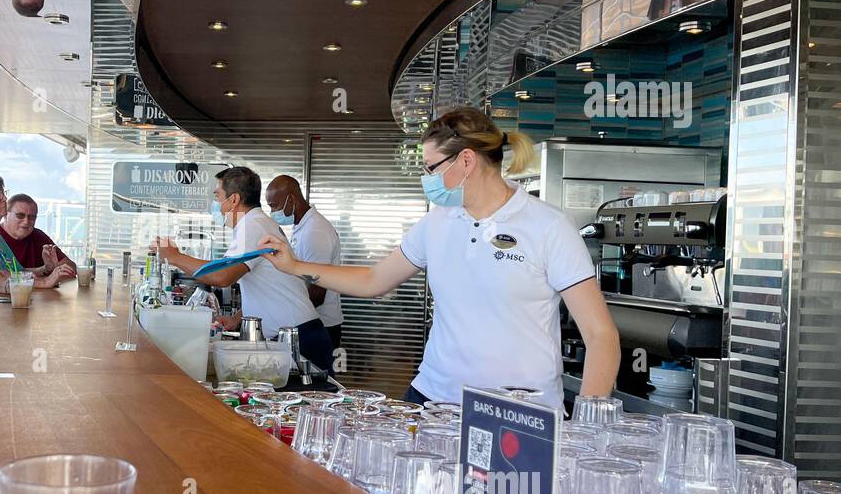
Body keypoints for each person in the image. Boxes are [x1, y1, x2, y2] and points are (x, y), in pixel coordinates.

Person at [258, 108, 620, 408]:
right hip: (432, 397)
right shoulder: (437, 222)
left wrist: (586, 427)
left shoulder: (548, 227)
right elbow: (373, 280)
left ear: (465, 161)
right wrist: (296, 266)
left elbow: (600, 334)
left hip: (518, 410)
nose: (425, 178)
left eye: (431, 168)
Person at [154, 166, 334, 372]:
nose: (216, 205)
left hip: (299, 340)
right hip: (296, 335)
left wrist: (175, 257)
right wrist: (237, 318)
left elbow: (222, 276)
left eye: (217, 196)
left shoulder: (253, 225)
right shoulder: (256, 223)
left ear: (234, 200)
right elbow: (267, 283)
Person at [0, 168, 72, 292]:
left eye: (3, 193)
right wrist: (44, 282)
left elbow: (18, 272)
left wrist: (46, 269)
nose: (5, 199)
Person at [264, 175, 344, 354]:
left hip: (320, 326)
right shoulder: (303, 227)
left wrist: (281, 312)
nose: (272, 213)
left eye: (274, 206)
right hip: (308, 322)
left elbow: (317, 293)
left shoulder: (315, 232)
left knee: (317, 380)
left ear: (291, 199)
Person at [0, 192, 76, 276]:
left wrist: (52, 268)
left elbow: (71, 267)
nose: (26, 222)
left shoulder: (37, 236)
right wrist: (43, 271)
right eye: (20, 215)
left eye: (32, 217)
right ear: (5, 214)